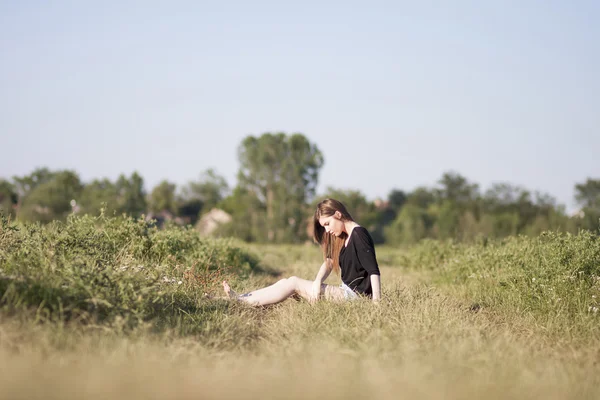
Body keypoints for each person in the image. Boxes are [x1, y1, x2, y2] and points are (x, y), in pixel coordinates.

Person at [222, 198, 381, 305]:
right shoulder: (345, 236)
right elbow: (329, 262)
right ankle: (241, 298)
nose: (327, 230)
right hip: (347, 293)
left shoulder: (359, 234)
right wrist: (318, 281)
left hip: (354, 297)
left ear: (338, 214)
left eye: (327, 223)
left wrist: (376, 303)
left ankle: (240, 300)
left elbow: (373, 271)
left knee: (293, 283)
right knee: (285, 283)